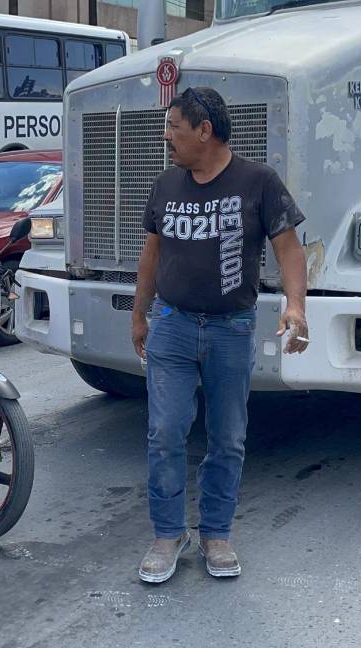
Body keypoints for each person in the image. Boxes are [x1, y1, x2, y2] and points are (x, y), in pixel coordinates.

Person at [131, 87, 310, 583]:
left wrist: (296, 305)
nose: (166, 136)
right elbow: (151, 255)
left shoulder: (259, 182)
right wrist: (138, 315)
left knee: (228, 438)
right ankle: (168, 534)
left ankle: (216, 532)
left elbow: (290, 252)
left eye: (174, 127)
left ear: (204, 130)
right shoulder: (166, 184)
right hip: (171, 325)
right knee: (165, 433)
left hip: (232, 329)